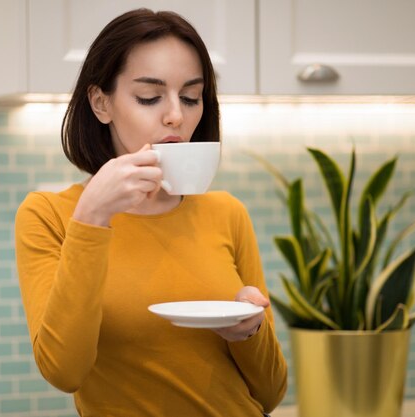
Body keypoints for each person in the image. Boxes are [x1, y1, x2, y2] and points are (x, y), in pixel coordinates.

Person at [15, 8, 287, 417]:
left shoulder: (227, 213)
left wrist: (250, 331)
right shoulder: (49, 216)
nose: (176, 114)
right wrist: (91, 218)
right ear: (100, 102)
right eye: (149, 96)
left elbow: (270, 394)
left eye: (192, 97)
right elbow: (64, 371)